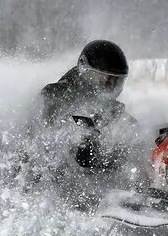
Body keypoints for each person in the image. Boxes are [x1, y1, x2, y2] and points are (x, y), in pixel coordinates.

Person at [40, 40, 138, 169]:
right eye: (103, 78)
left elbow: (133, 141)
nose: (110, 86)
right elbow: (43, 142)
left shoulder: (114, 111)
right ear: (84, 71)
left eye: (115, 81)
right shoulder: (54, 97)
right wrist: (78, 145)